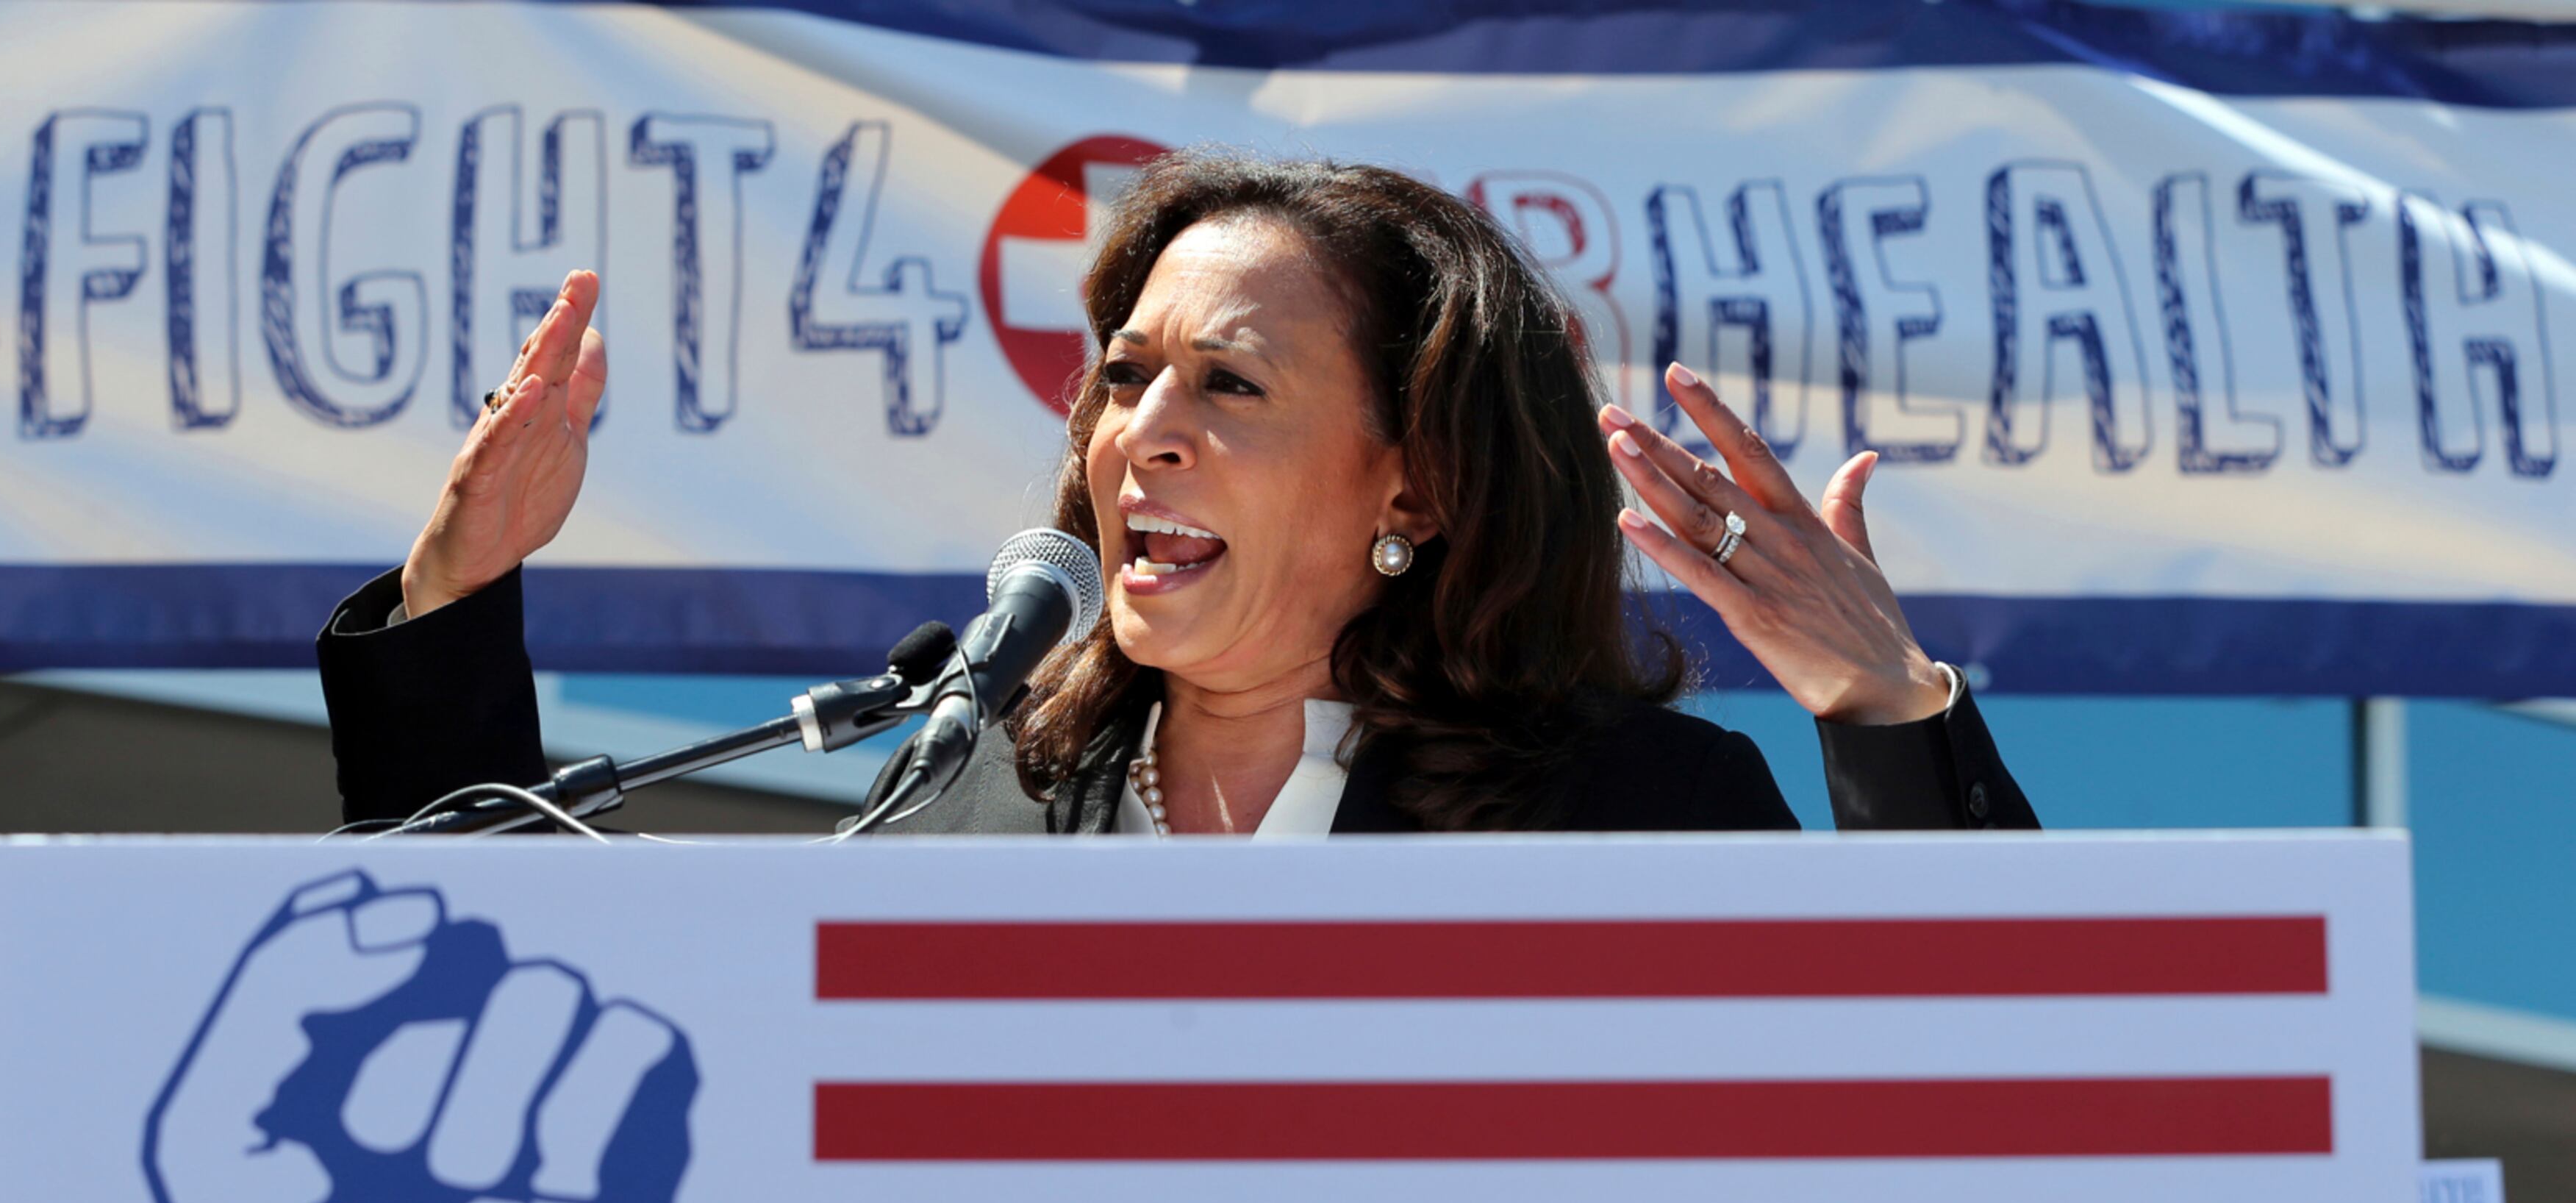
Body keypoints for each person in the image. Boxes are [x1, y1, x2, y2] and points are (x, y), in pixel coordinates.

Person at [318, 150, 2035, 835]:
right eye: (1127, 376)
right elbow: (494, 1017)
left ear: (1415, 483)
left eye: (1230, 383)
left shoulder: (1625, 810)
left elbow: (1982, 1119)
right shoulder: (969, 759)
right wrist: (457, 597)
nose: (1140, 429)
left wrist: (1887, 708)